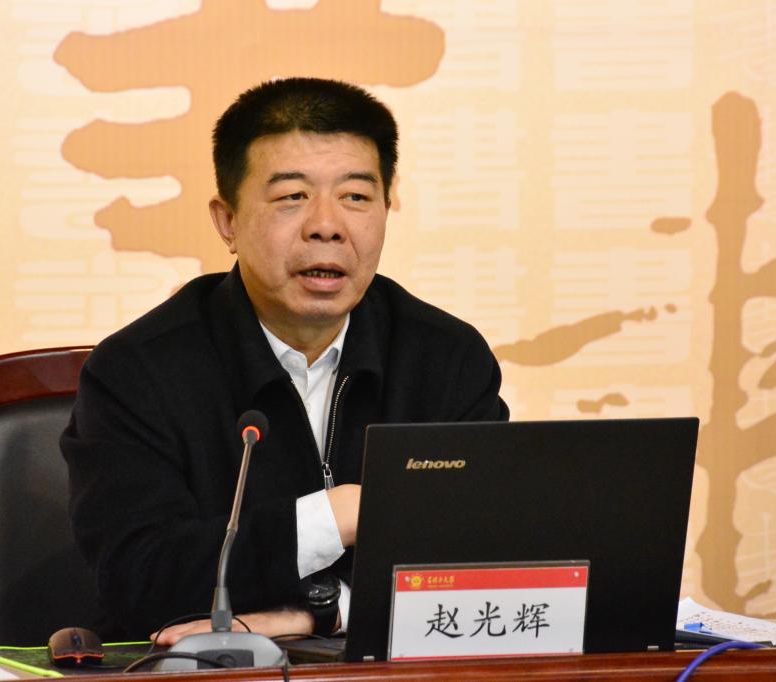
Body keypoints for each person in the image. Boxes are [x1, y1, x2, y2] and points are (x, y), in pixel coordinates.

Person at [60, 77, 509, 645]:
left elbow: (491, 561)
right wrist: (338, 515)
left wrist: (325, 613)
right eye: (292, 196)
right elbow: (142, 580)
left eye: (356, 196)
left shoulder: (446, 359)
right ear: (227, 221)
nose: (327, 225)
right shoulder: (138, 371)